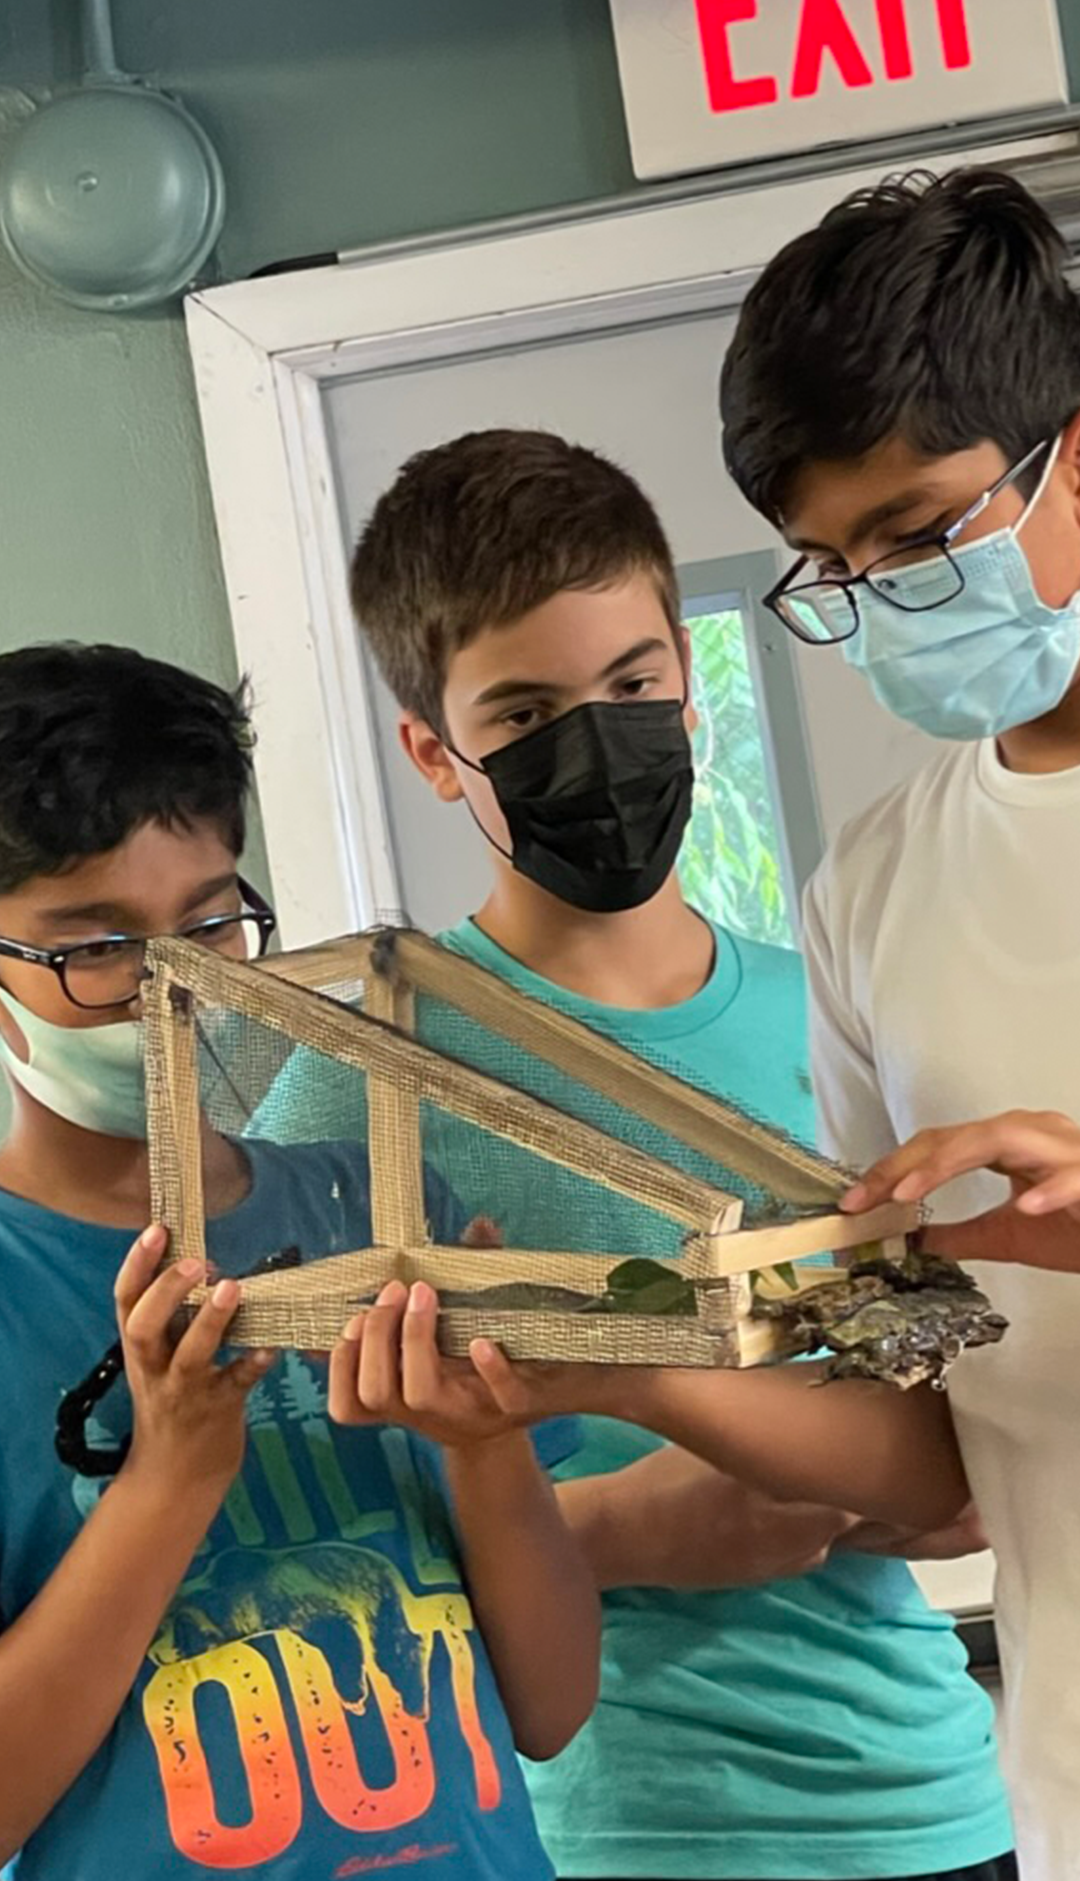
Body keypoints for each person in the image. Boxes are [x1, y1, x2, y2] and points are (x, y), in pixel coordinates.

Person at [330, 428, 1016, 1881]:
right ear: (430, 752)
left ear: (689, 677)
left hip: (932, 1801)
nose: (598, 737)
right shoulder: (364, 1084)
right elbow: (306, 1533)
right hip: (613, 1831)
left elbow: (959, 1466)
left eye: (633, 685)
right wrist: (612, 1531)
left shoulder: (829, 1009)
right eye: (521, 712)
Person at [0, 642, 598, 1878]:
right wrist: (165, 1485)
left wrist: (486, 1447)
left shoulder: (378, 1211)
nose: (176, 986)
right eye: (97, 947)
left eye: (211, 920)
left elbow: (548, 1705)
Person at [711, 165, 1080, 1879]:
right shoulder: (869, 890)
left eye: (923, 535)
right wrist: (607, 1358)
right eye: (831, 565)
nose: (880, 600)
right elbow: (926, 1452)